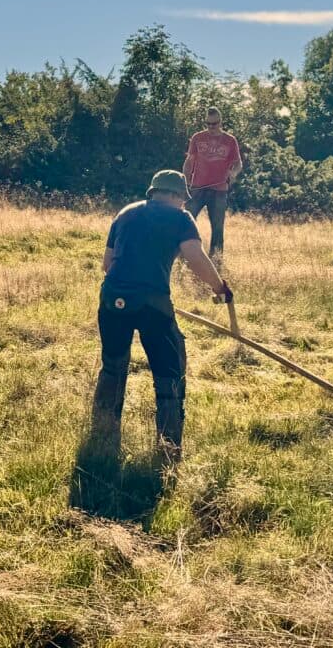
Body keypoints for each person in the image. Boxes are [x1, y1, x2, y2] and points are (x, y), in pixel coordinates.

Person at [91, 169, 231, 463]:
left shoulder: (126, 213)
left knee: (113, 366)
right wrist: (220, 287)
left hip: (112, 299)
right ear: (178, 196)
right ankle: (168, 448)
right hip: (153, 304)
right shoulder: (181, 218)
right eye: (183, 199)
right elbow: (195, 257)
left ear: (153, 192)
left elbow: (107, 264)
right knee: (170, 371)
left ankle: (103, 435)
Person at [182, 107, 243, 260]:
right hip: (197, 188)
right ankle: (184, 256)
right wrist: (186, 182)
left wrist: (233, 173)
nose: (211, 127)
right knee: (186, 222)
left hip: (219, 190)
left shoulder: (230, 140)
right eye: (208, 124)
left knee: (217, 228)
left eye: (214, 124)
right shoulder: (197, 137)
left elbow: (238, 163)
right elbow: (189, 161)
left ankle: (216, 260)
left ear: (220, 122)